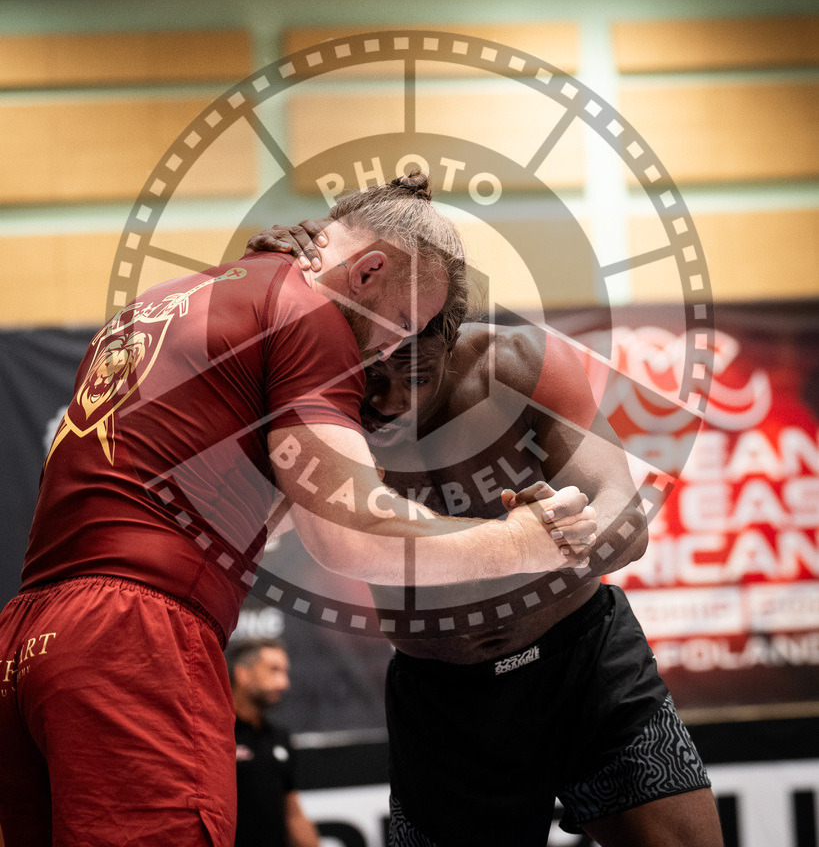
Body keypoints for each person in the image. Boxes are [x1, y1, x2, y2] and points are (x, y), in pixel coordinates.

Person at [0, 173, 592, 847]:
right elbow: (350, 533)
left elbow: (236, 500)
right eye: (401, 324)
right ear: (368, 270)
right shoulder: (310, 314)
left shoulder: (159, 305)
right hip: (134, 638)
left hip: (30, 642)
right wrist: (523, 541)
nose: (390, 350)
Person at [252, 218, 725, 847]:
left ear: (450, 342)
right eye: (374, 373)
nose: (388, 402)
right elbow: (244, 522)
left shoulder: (517, 365)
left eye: (414, 375)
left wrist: (563, 533)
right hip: (443, 702)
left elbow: (627, 522)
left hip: (585, 665)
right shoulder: (320, 394)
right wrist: (269, 278)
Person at [227, 638, 320, 847]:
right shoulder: (215, 736)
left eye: (284, 672)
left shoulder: (279, 737)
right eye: (273, 670)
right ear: (243, 674)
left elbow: (293, 814)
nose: (284, 683)